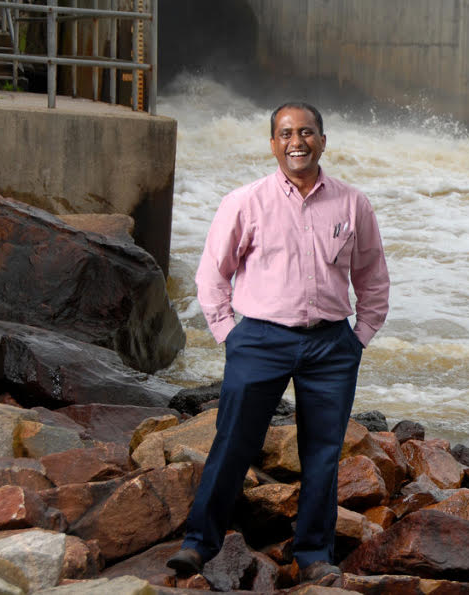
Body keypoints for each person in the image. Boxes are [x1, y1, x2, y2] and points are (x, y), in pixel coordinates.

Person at [167, 101, 390, 585]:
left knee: (323, 453)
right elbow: (212, 276)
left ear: (323, 141)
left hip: (332, 346)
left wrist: (359, 338)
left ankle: (313, 554)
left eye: (307, 132)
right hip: (260, 340)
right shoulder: (245, 201)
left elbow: (372, 277)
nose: (297, 141)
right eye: (286, 133)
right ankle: (197, 545)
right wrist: (231, 335)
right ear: (273, 144)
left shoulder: (353, 204)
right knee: (232, 443)